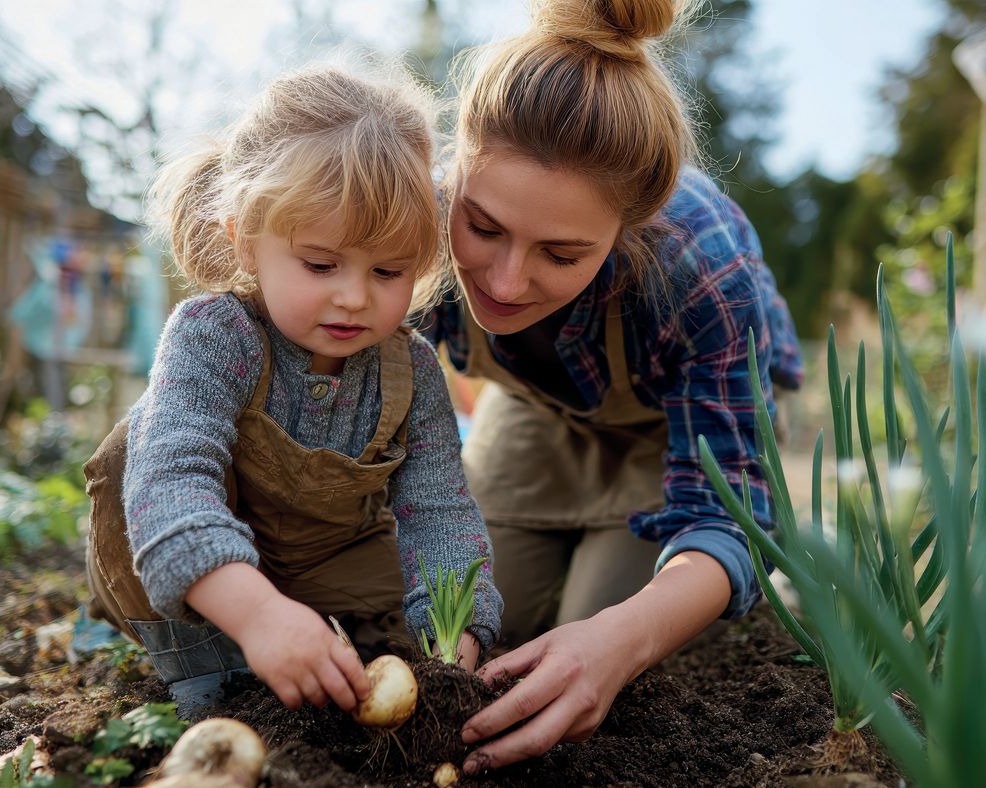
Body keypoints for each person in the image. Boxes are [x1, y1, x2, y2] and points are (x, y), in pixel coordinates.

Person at [418, 0, 804, 773]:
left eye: (560, 254)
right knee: (471, 624)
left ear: (629, 228)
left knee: (590, 643)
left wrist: (622, 640)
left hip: (675, 430)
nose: (505, 281)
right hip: (538, 408)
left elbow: (729, 517)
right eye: (484, 228)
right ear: (456, 167)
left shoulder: (699, 265)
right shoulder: (412, 219)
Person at [83, 66, 502, 715]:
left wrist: (458, 631)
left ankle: (340, 651)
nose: (354, 296)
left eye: (387, 271)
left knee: (404, 634)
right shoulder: (216, 334)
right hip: (204, 578)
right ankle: (207, 669)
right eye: (320, 264)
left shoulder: (412, 369)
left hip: (327, 566)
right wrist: (257, 615)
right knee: (128, 457)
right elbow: (170, 480)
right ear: (246, 241)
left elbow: (438, 509)